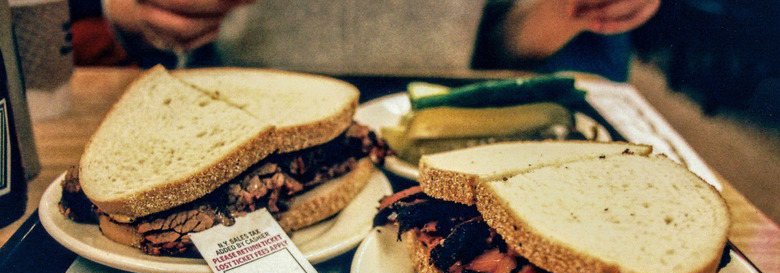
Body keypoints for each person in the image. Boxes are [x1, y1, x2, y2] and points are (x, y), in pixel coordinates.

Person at [100, 0, 660, 82]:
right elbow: (131, 24)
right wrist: (131, 9)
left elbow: (501, 46)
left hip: (444, 124)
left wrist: (573, 9)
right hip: (237, 104)